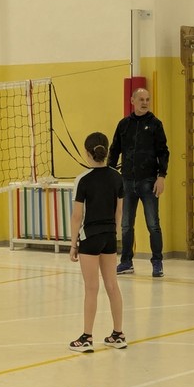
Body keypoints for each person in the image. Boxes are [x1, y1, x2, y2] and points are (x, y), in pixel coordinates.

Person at [69, 132, 126, 352]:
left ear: (87, 152)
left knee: (92, 288)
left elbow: (77, 216)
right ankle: (118, 334)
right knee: (112, 285)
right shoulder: (116, 177)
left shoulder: (83, 180)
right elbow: (119, 211)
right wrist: (114, 232)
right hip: (109, 236)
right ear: (106, 150)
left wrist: (73, 244)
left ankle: (86, 337)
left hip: (90, 238)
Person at [107, 87, 170, 278]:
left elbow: (163, 152)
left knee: (153, 224)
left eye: (147, 99)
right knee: (126, 225)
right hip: (127, 181)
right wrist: (109, 174)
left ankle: (157, 262)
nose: (145, 103)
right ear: (132, 101)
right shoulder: (124, 124)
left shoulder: (155, 124)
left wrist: (161, 176)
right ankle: (126, 261)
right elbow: (114, 150)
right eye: (141, 99)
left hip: (149, 182)